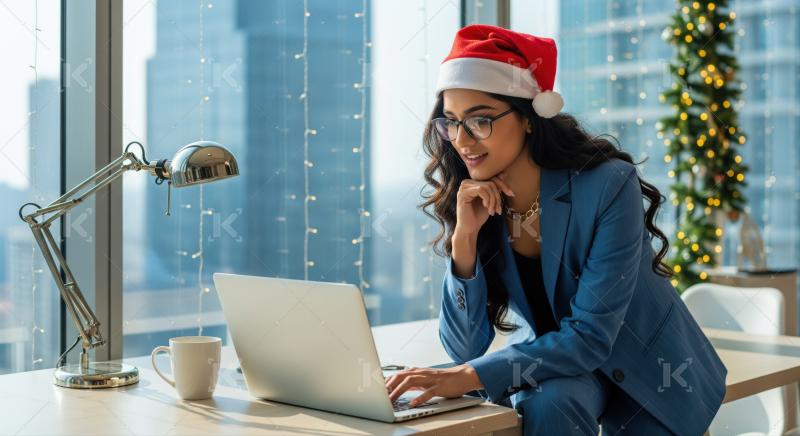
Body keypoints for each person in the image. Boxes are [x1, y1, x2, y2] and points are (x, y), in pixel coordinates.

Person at [384, 24, 727, 435]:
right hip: (561, 369)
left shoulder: (607, 185)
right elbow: (463, 347)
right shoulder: (478, 203)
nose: (461, 140)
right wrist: (464, 242)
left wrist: (470, 376)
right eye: (451, 122)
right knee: (548, 402)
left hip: (655, 371)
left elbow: (591, 337)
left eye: (480, 121)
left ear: (528, 118)